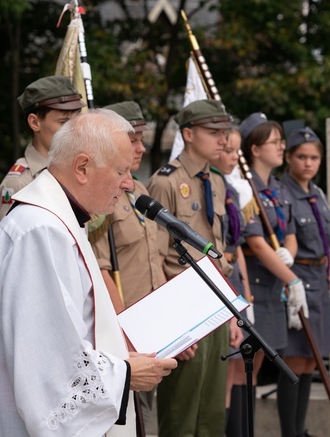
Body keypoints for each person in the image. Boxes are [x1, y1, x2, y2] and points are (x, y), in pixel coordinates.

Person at [0, 108, 177, 436]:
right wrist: (124, 374)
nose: (127, 184)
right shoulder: (39, 231)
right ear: (82, 167)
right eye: (121, 171)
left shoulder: (63, 221)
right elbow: (43, 359)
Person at [147, 98, 242, 437]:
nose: (222, 139)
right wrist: (168, 324)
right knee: (181, 410)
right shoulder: (165, 181)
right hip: (181, 301)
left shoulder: (215, 180)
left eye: (224, 131)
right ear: (188, 133)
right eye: (213, 131)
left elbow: (217, 251)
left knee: (211, 409)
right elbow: (155, 255)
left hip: (214, 299)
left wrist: (230, 312)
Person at [88, 101, 167, 428]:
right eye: (132, 140)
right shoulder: (102, 196)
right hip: (125, 329)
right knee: (129, 421)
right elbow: (102, 269)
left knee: (150, 419)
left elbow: (156, 258)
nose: (140, 147)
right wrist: (125, 332)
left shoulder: (142, 190)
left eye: (140, 139)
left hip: (154, 326)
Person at [237, 112, 308, 387]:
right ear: (255, 149)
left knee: (256, 369)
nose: (282, 147)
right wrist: (294, 280)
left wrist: (288, 254)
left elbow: (290, 232)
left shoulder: (277, 188)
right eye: (275, 142)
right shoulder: (246, 188)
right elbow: (255, 242)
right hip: (256, 283)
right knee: (245, 369)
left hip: (274, 284)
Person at [278, 126, 330, 437]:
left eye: (314, 157)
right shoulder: (283, 194)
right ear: (288, 157)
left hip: (319, 278)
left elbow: (329, 249)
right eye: (301, 156)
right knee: (293, 359)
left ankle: (300, 429)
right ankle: (289, 431)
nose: (308, 163)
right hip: (297, 278)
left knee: (311, 361)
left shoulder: (318, 195)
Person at [0, 75, 86, 230]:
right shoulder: (19, 183)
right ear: (35, 122)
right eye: (64, 122)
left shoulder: (77, 173)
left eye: (76, 121)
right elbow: (5, 248)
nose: (74, 130)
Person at [209, 127, 254, 437]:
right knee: (223, 374)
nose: (233, 156)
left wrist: (246, 294)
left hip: (234, 275)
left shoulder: (233, 190)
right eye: (227, 149)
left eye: (237, 150)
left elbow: (237, 246)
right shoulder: (208, 185)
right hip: (217, 275)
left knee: (239, 366)